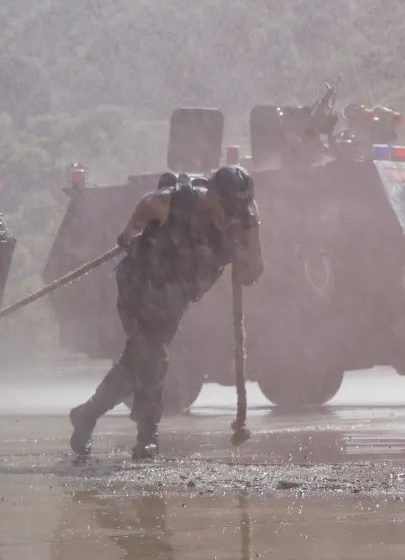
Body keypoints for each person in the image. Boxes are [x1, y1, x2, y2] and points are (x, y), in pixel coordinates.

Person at [68, 165, 264, 459]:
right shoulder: (172, 201)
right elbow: (143, 209)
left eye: (237, 208)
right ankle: (147, 436)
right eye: (227, 207)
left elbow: (255, 265)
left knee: (137, 361)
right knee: (152, 356)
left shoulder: (245, 218)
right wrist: (130, 232)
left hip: (175, 296)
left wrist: (244, 264)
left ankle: (87, 414)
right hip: (140, 284)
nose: (232, 215)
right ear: (210, 195)